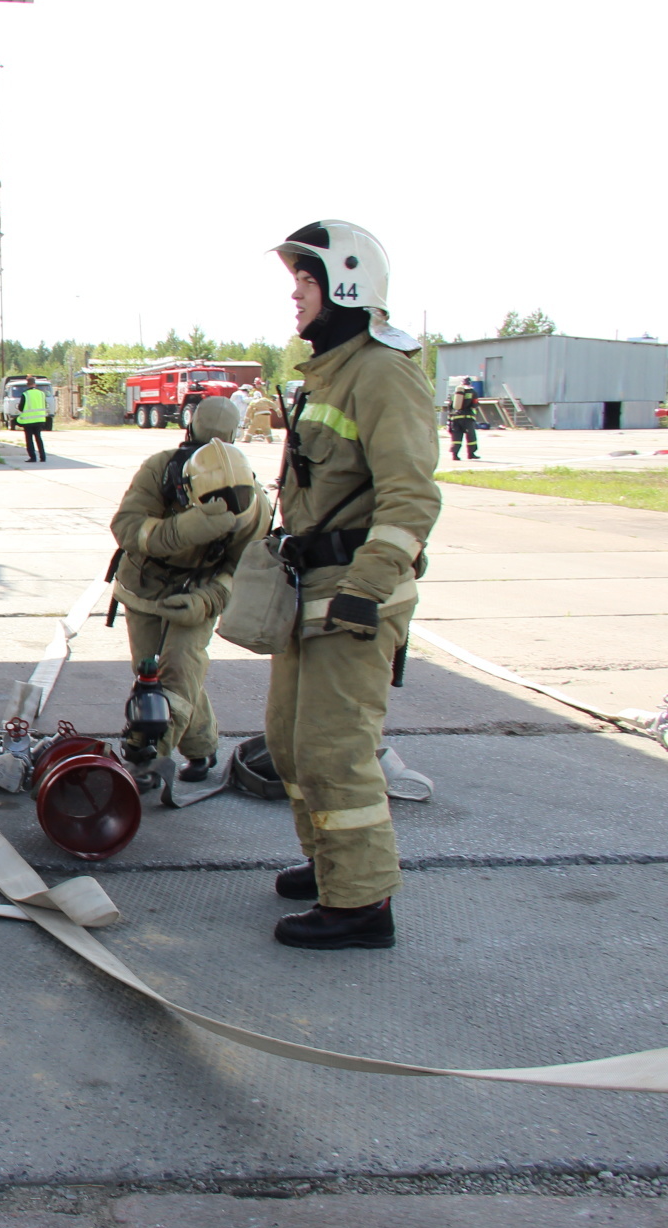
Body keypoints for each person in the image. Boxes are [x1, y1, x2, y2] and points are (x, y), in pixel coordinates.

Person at [265, 220, 440, 950]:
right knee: (289, 743)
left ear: (343, 285)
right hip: (312, 587)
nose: (294, 298)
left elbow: (411, 496)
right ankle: (329, 860)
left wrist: (366, 587)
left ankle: (363, 903)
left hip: (353, 593)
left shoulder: (383, 371)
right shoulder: (329, 371)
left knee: (336, 749)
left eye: (304, 283)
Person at [109, 398, 271, 784]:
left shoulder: (252, 502)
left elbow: (244, 570)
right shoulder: (160, 470)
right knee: (150, 673)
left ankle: (148, 758)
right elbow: (127, 527)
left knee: (178, 673)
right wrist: (186, 530)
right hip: (144, 588)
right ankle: (202, 748)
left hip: (198, 594)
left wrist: (207, 601)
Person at [447, 376, 481, 461]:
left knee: (456, 437)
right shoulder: (472, 392)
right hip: (467, 418)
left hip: (455, 418)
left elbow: (450, 406)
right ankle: (471, 454)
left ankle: (455, 455)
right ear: (470, 383)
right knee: (471, 437)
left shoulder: (455, 393)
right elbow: (475, 404)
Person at [18, 378, 50, 462]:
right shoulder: (42, 394)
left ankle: (32, 457)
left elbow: (21, 407)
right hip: (40, 419)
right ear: (35, 384)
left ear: (27, 384)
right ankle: (43, 457)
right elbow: (45, 405)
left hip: (28, 421)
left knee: (29, 439)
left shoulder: (25, 394)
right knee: (38, 438)